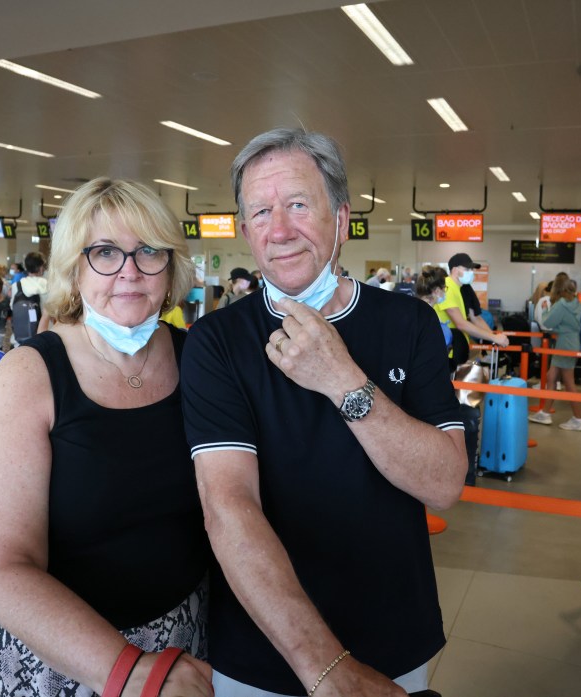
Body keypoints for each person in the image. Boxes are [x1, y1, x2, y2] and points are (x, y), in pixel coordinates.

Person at [181, 128, 467, 696]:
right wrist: (325, 668)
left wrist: (341, 380)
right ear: (244, 232)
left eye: (297, 204)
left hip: (391, 635)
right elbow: (228, 506)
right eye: (261, 211)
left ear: (340, 219)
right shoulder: (215, 342)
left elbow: (444, 483)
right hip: (261, 648)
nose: (280, 230)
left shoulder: (408, 323)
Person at [0, 178, 213, 697]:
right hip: (48, 656)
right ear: (75, 268)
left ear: (172, 267)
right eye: (105, 252)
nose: (130, 272)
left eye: (149, 252)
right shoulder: (32, 373)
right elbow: (3, 565)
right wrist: (128, 671)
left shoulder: (200, 359)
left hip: (181, 646)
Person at [528, 275, 581, 431]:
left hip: (564, 345)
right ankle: (545, 413)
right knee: (551, 377)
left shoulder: (561, 304)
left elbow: (547, 322)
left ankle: (579, 419)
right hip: (570, 342)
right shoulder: (575, 302)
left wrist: (546, 308)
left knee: (569, 382)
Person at [434, 253, 508, 349]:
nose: (471, 272)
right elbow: (461, 324)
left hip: (454, 347)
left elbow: (475, 318)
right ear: (455, 270)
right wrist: (493, 337)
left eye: (472, 269)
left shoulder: (460, 289)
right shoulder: (447, 287)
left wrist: (495, 337)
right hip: (444, 348)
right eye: (467, 269)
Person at [10, 252, 51, 346]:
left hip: (20, 338)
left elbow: (12, 307)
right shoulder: (48, 285)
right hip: (43, 336)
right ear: (41, 267)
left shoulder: (17, 285)